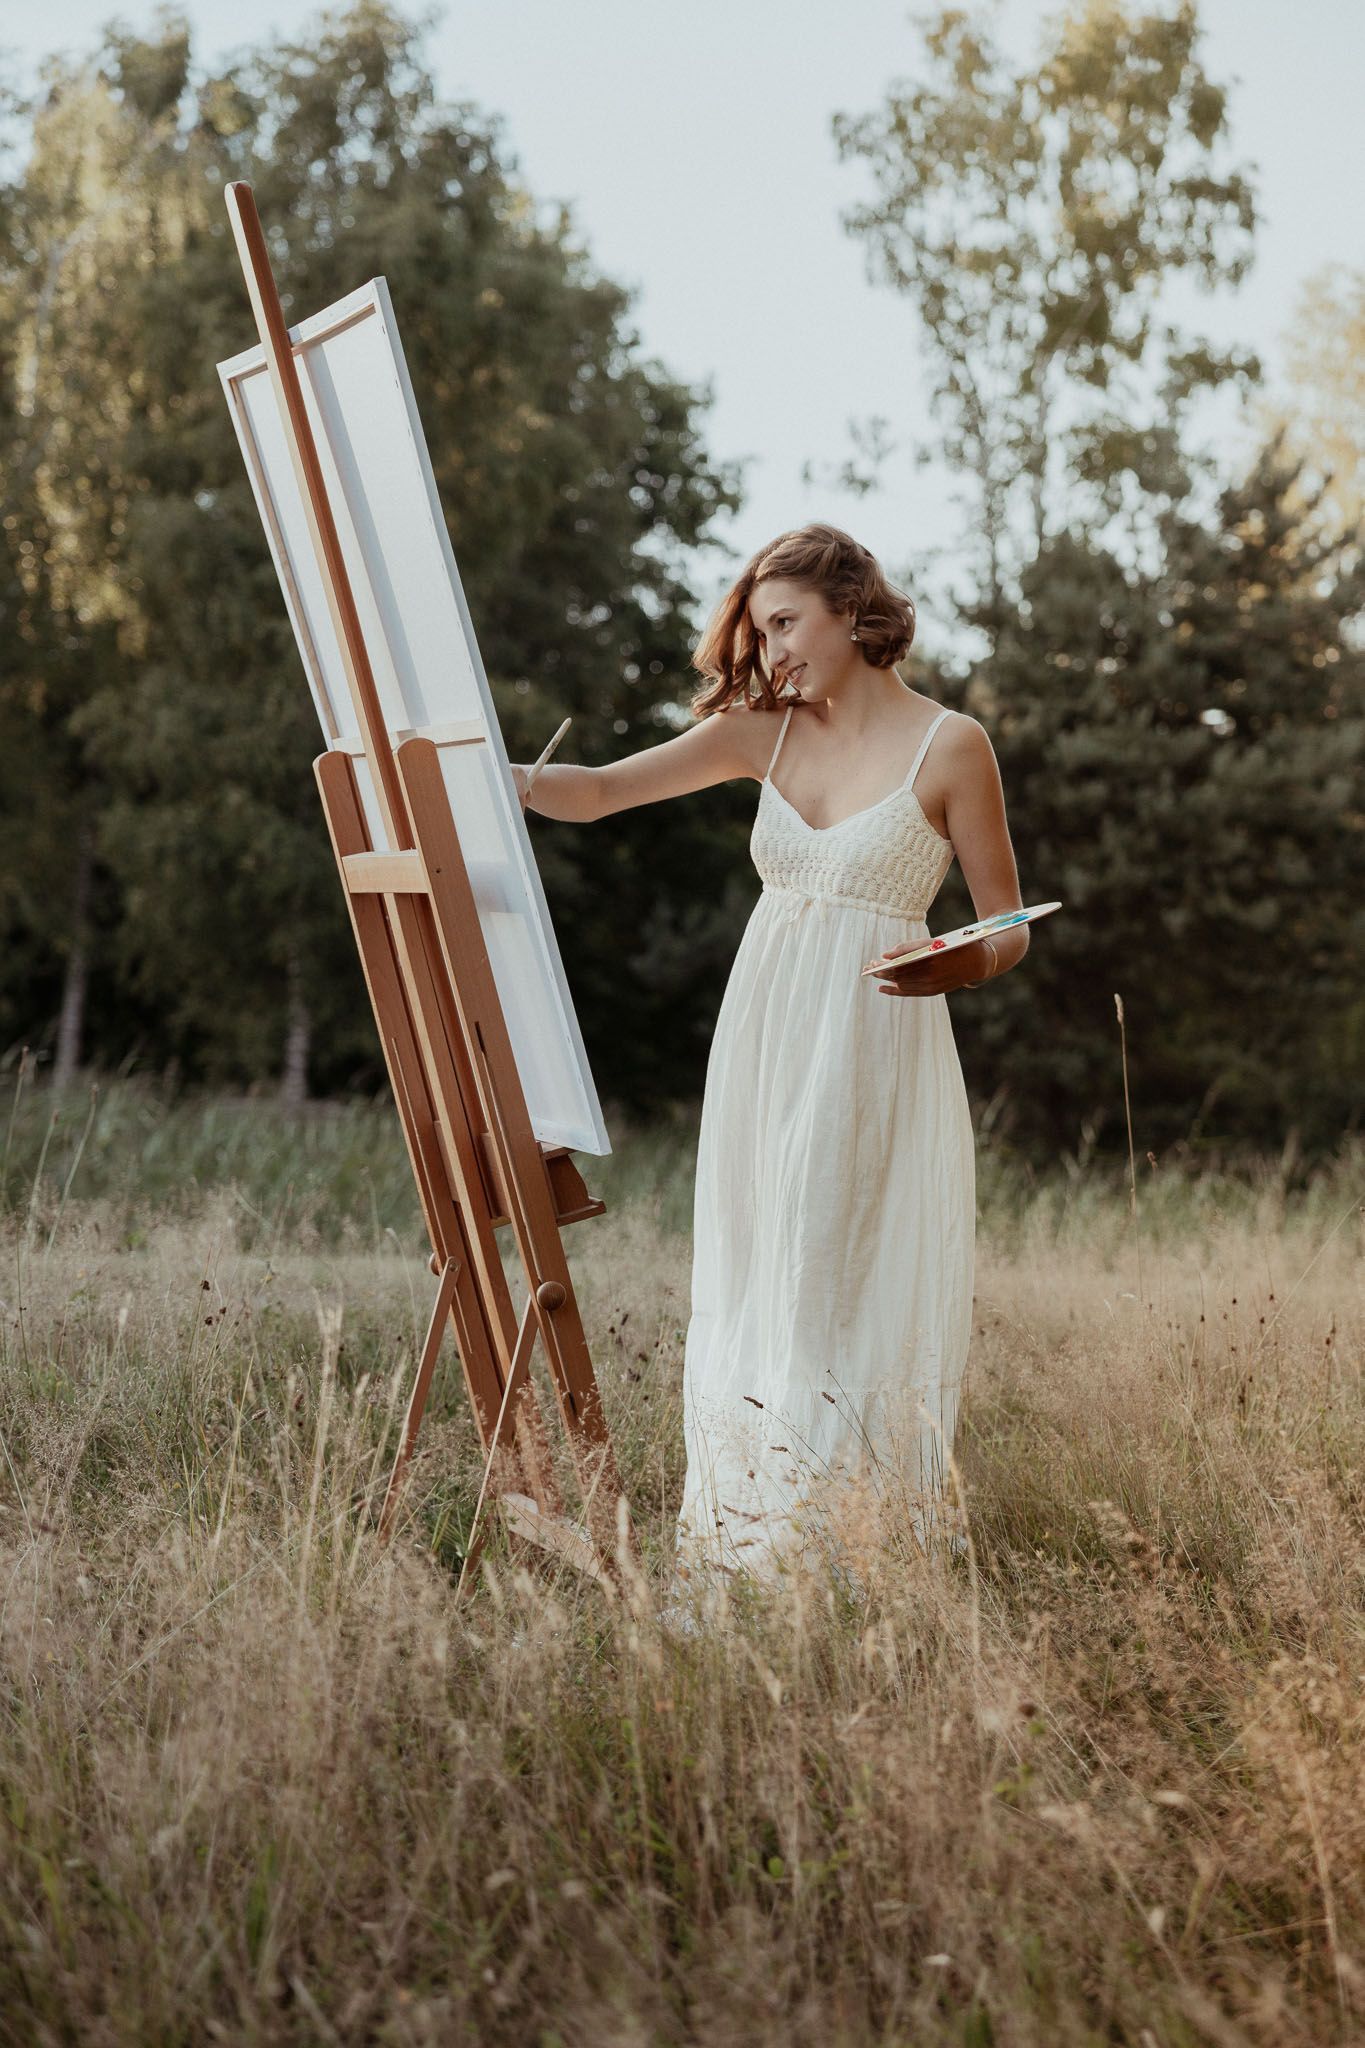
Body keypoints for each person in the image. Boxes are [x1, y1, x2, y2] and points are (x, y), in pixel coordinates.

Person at [511, 524, 1029, 1581]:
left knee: (838, 1277)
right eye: (760, 629)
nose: (773, 647)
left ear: (852, 609)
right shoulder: (763, 734)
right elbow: (600, 789)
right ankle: (751, 1546)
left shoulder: (953, 745)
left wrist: (958, 967)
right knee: (759, 1272)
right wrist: (480, 772)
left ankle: (853, 1553)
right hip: (763, 1044)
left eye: (787, 622)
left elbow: (1009, 923)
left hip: (878, 1040)